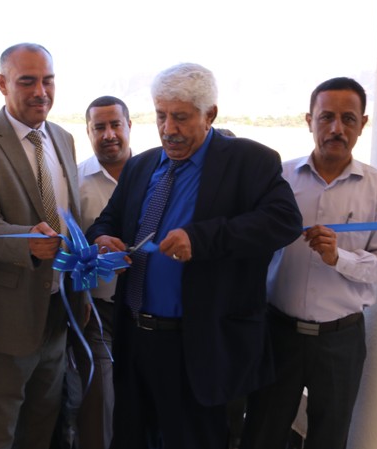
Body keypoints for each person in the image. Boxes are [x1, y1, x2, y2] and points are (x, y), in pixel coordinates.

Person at [85, 62, 303, 449]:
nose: (168, 129)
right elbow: (108, 220)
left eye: (181, 118)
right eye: (161, 116)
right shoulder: (140, 166)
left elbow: (284, 222)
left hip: (198, 347)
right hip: (134, 339)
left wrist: (201, 239)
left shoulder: (249, 161)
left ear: (210, 115)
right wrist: (102, 239)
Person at [240, 77, 377, 449]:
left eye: (348, 119)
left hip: (340, 340)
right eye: (326, 117)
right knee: (262, 433)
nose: (336, 128)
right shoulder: (278, 179)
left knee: (330, 438)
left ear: (363, 124)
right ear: (309, 120)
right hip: (277, 333)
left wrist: (338, 257)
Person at [0, 42, 81, 449]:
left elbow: (69, 219)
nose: (41, 92)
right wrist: (26, 243)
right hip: (4, 324)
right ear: (2, 84)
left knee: (40, 429)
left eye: (48, 80)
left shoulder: (64, 138)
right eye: (27, 81)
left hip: (57, 316)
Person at [73, 95, 133, 449]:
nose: (109, 134)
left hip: (144, 309)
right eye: (99, 127)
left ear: (129, 126)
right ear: (88, 132)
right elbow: (67, 247)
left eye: (115, 125)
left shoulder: (154, 173)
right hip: (96, 310)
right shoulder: (75, 181)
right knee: (99, 400)